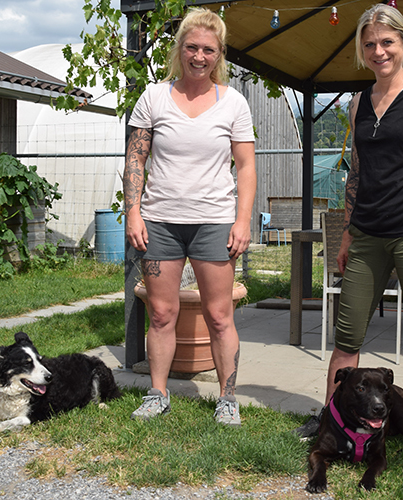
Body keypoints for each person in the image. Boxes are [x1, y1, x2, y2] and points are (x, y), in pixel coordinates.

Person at [294, 4, 403, 467]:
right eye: (370, 44)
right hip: (365, 234)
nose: (379, 50)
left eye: (387, 42)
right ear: (362, 52)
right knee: (347, 338)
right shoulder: (358, 102)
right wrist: (346, 235)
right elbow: (358, 172)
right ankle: (332, 422)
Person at [124, 7, 256, 426]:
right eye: (192, 47)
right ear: (179, 49)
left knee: (219, 316)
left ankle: (227, 398)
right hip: (159, 222)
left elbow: (246, 166)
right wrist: (133, 212)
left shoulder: (233, 103)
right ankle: (158, 393)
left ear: (219, 55)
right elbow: (135, 159)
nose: (199, 56)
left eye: (209, 50)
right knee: (161, 314)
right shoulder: (153, 97)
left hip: (214, 222)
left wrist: (242, 220)